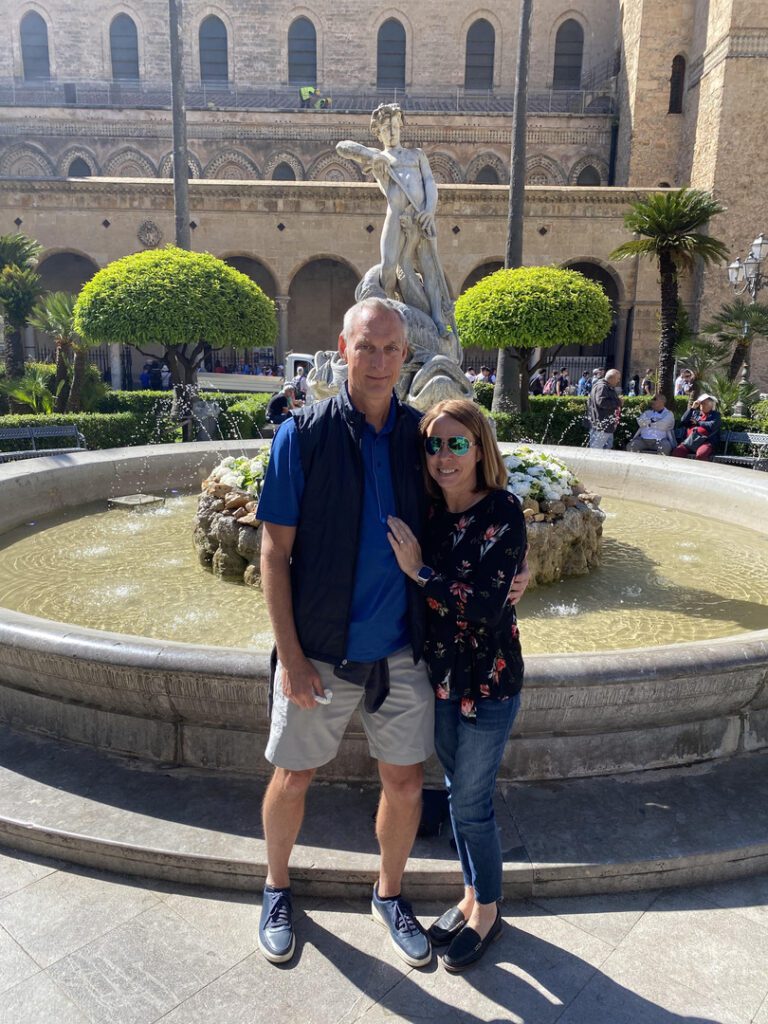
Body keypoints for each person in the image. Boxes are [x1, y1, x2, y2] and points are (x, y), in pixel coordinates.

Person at [255, 298, 434, 968]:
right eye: (368, 348)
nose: (381, 361)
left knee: (407, 784)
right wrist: (292, 659)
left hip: (400, 653)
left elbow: (478, 499)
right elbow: (273, 554)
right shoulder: (301, 435)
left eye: (392, 349)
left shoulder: (422, 438)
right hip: (320, 654)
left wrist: (519, 556)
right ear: (342, 348)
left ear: (406, 356)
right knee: (292, 776)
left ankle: (389, 895)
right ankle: (275, 886)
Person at [387, 398, 528, 973]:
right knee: (456, 788)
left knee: (470, 804)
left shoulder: (504, 511)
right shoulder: (428, 513)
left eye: (457, 444)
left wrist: (421, 573)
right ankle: (469, 897)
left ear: (479, 448)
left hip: (490, 683)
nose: (445, 456)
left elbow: (491, 607)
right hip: (443, 679)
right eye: (435, 445)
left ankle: (489, 911)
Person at [671, 393, 721, 460]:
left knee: (701, 454)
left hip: (706, 442)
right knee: (677, 452)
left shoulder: (716, 415)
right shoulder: (695, 413)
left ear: (711, 405)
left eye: (704, 403)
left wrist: (698, 423)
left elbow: (712, 425)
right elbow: (683, 421)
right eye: (701, 403)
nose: (701, 405)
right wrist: (692, 408)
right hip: (690, 441)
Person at [587, 368, 623, 449]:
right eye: (618, 379)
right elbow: (602, 402)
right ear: (612, 378)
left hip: (606, 426)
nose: (618, 381)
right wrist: (618, 402)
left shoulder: (605, 386)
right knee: (596, 450)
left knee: (607, 449)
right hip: (601, 426)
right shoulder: (602, 387)